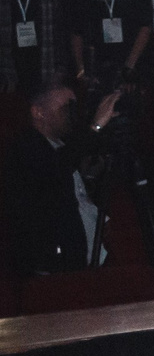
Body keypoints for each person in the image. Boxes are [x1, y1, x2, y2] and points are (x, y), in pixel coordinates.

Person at [10, 83, 124, 272]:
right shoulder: (26, 146)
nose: (71, 114)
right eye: (65, 108)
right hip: (51, 262)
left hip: (84, 254)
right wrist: (95, 127)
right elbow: (50, 173)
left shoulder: (63, 145)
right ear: (38, 112)